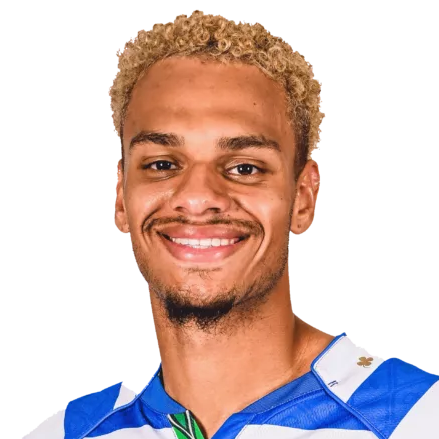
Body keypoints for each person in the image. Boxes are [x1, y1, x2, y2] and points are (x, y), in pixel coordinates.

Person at [23, 10, 438, 439]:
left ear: (303, 197)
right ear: (120, 195)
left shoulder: (419, 418)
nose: (198, 197)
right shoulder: (66, 433)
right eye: (162, 164)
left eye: (244, 168)